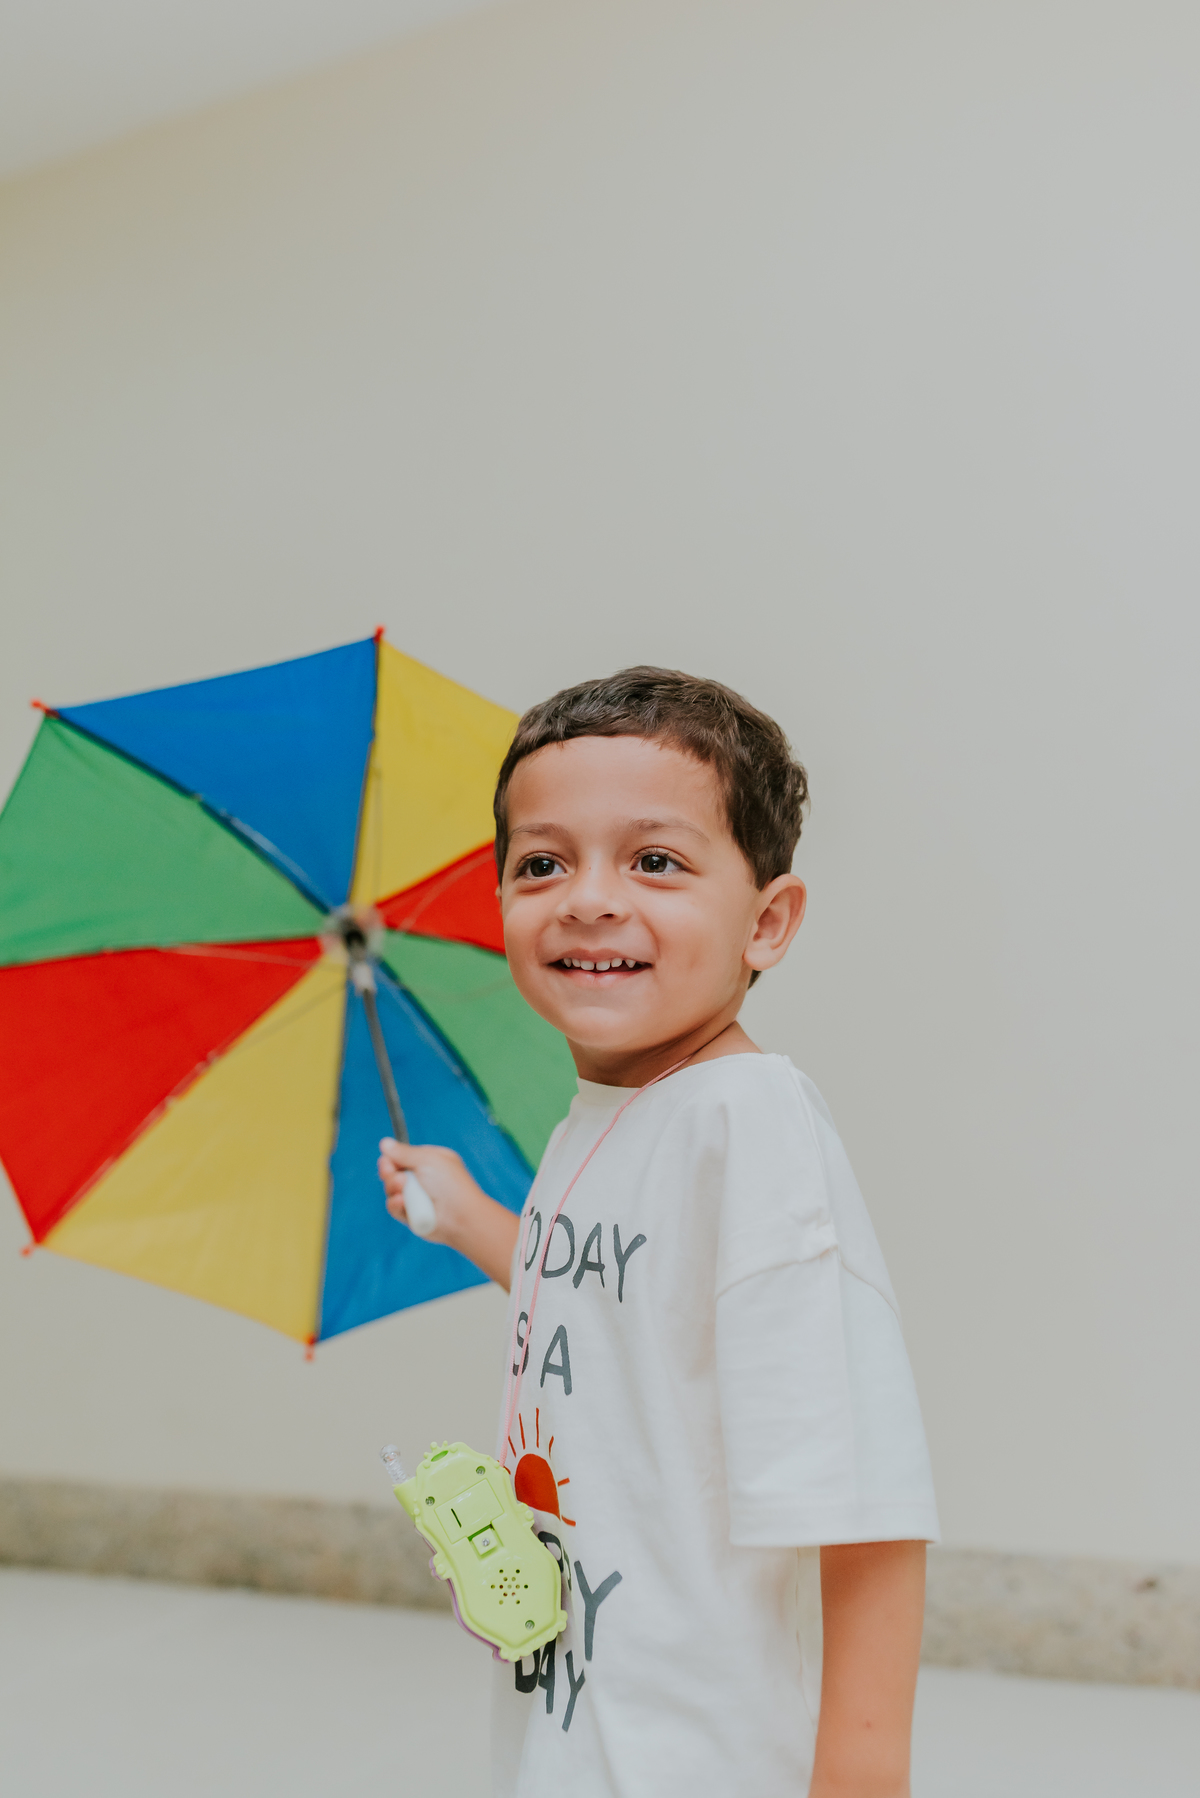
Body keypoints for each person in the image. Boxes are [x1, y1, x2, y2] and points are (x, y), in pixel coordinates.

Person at [377, 667, 939, 1798]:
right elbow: (606, 1301)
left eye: (656, 861)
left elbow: (857, 1482)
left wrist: (862, 1771)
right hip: (580, 1701)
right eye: (542, 862)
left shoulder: (746, 1121)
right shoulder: (605, 1116)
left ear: (767, 921)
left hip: (695, 1741)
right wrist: (469, 1215)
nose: (587, 898)